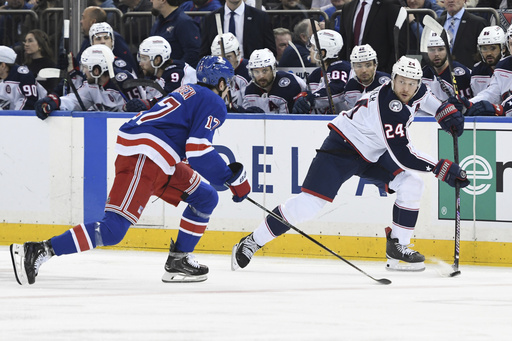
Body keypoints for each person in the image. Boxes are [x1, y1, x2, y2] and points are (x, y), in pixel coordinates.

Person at [10, 55, 251, 285]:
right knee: (113, 229)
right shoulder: (214, 101)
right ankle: (40, 249)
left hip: (159, 157)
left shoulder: (188, 91)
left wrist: (226, 179)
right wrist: (232, 180)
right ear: (221, 82)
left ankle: (179, 260)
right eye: (227, 82)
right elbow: (198, 150)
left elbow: (187, 144)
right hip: (145, 155)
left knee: (205, 197)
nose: (228, 87)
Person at [231, 56, 470, 272]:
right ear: (392, 79)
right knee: (308, 205)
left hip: (372, 153)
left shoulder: (416, 90)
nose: (406, 88)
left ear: (417, 83)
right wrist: (442, 168)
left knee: (412, 184)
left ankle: (398, 250)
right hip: (341, 149)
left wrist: (444, 111)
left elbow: (428, 98)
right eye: (401, 82)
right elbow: (403, 154)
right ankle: (252, 241)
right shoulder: (388, 107)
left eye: (411, 83)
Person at [34, 45, 141, 116]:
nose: (83, 71)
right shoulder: (91, 85)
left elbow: (140, 110)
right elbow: (74, 101)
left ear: (97, 70)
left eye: (85, 67)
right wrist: (56, 101)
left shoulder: (125, 82)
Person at [124, 36, 197, 112]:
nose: (140, 63)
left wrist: (148, 104)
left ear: (157, 60)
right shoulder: (155, 77)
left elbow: (171, 102)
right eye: (140, 58)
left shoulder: (177, 72)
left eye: (144, 59)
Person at [338, 0, 407, 73]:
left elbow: (399, 45)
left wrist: (387, 72)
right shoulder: (348, 7)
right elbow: (344, 42)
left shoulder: (391, 6)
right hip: (353, 72)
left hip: (379, 73)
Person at [293, 29, 352, 114]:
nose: (310, 50)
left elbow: (335, 90)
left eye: (313, 48)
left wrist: (311, 99)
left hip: (343, 122)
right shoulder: (316, 74)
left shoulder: (341, 67)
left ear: (322, 53)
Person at [200, 0, 276, 59]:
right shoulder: (210, 18)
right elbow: (205, 51)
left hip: (251, 71)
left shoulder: (260, 17)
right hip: (220, 71)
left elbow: (270, 50)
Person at [242, 48, 306, 113]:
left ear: (273, 68)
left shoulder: (291, 84)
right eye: (256, 72)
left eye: (265, 71)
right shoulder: (249, 90)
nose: (261, 76)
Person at [77, 6, 138, 74]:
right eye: (98, 39)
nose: (81, 21)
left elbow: (130, 68)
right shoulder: (87, 40)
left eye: (83, 18)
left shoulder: (116, 39)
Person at [422, 31, 472, 103]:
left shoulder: (462, 73)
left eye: (440, 49)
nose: (436, 54)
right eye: (431, 50)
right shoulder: (423, 74)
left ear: (448, 49)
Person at [436, 0, 488, 69]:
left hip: (468, 75)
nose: (451, 1)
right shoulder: (436, 23)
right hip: (441, 74)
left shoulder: (478, 23)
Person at [150, 0, 201, 68]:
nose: (151, 1)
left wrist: (175, 69)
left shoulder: (184, 22)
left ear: (163, 0)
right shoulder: (158, 22)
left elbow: (192, 53)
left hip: (177, 74)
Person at [210, 32, 251, 110]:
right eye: (219, 59)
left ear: (238, 54)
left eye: (228, 57)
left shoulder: (249, 71)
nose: (224, 63)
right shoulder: (210, 74)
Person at [344, 44, 391, 108]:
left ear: (375, 65)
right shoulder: (350, 86)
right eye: (359, 66)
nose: (364, 70)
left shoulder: (386, 83)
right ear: (353, 67)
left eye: (368, 65)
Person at [0, 45, 45, 110]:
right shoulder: (3, 79)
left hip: (35, 117)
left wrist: (13, 117)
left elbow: (30, 103)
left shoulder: (24, 76)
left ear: (3, 65)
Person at [471, 26, 506, 97]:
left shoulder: (508, 68)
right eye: (484, 49)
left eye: (493, 48)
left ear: (503, 48)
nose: (488, 53)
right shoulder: (477, 71)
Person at [22, 29, 59, 93]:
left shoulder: (50, 65)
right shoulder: (25, 66)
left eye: (30, 41)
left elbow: (53, 89)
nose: (26, 44)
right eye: (26, 41)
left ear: (40, 45)